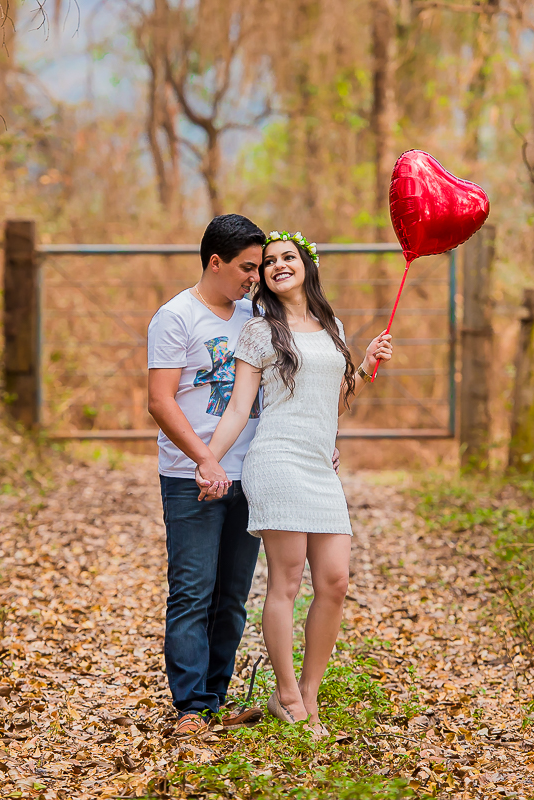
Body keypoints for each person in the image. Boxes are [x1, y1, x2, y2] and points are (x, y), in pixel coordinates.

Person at [200, 229, 393, 736]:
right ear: (263, 276)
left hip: (319, 467)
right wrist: (208, 460)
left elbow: (334, 405)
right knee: (285, 583)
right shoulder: (259, 332)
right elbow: (239, 408)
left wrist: (365, 366)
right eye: (268, 262)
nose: (278, 265)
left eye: (288, 257)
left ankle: (309, 693)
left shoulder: (332, 326)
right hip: (277, 460)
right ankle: (287, 695)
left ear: (307, 264)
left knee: (335, 581)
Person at [146, 214, 267, 736]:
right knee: (193, 591)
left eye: (259, 268)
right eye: (247, 267)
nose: (255, 278)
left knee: (233, 596)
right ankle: (191, 707)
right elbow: (160, 400)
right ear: (215, 262)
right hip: (190, 477)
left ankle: (215, 698)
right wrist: (205, 459)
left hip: (252, 474)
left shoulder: (255, 316)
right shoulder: (175, 317)